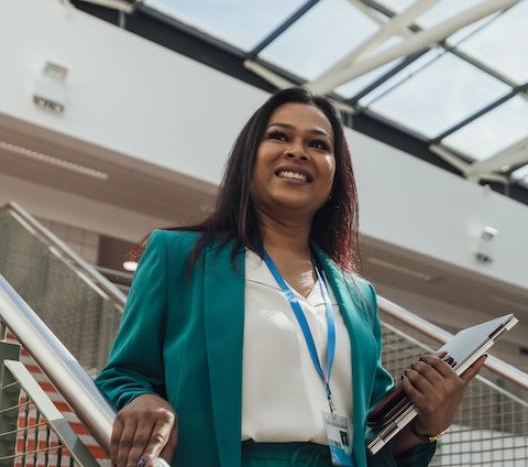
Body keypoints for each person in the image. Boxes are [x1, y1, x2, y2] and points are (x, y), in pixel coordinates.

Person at [95, 87, 486, 467]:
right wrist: (141, 399)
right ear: (248, 160)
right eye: (279, 136)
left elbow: (374, 432)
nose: (298, 151)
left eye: (318, 145)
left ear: (336, 176)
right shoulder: (177, 255)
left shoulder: (358, 295)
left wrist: (428, 424)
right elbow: (122, 375)